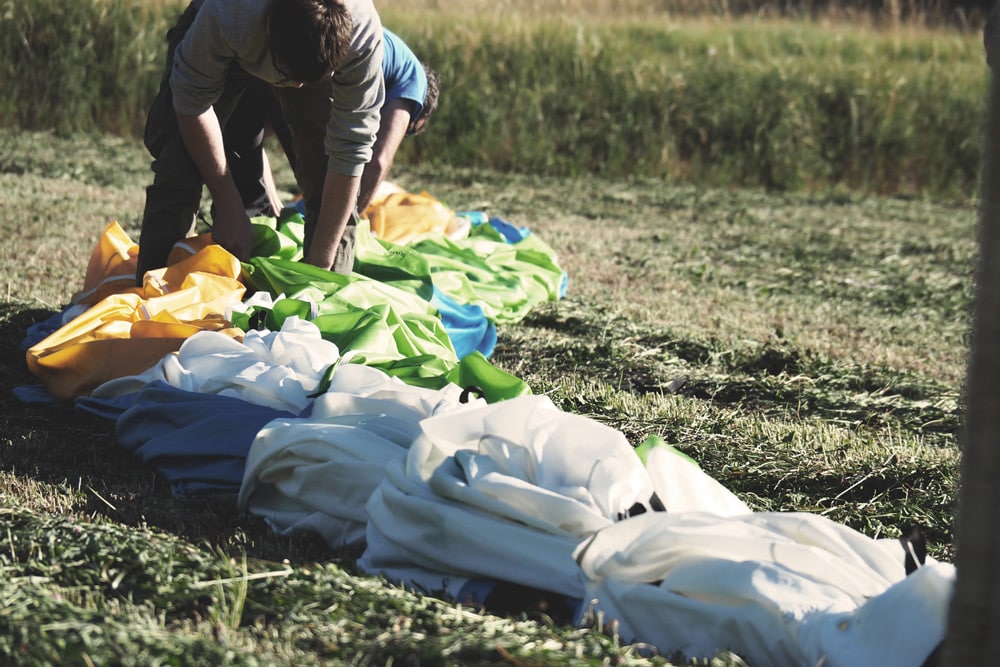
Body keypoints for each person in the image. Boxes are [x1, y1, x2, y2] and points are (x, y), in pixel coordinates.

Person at [135, 0, 385, 283]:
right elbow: (192, 102)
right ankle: (152, 295)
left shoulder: (363, 36)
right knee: (178, 165)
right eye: (288, 75)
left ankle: (324, 301)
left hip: (303, 49)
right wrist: (229, 207)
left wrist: (320, 265)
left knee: (326, 174)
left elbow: (350, 150)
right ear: (267, 30)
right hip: (233, 38)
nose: (296, 87)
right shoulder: (230, 13)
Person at [227, 27, 440, 221]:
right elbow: (379, 161)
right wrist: (348, 220)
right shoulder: (415, 80)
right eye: (408, 131)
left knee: (242, 136)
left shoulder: (390, 56)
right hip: (327, 60)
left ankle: (253, 220)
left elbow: (257, 138)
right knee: (322, 187)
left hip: (286, 45)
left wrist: (274, 205)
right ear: (420, 113)